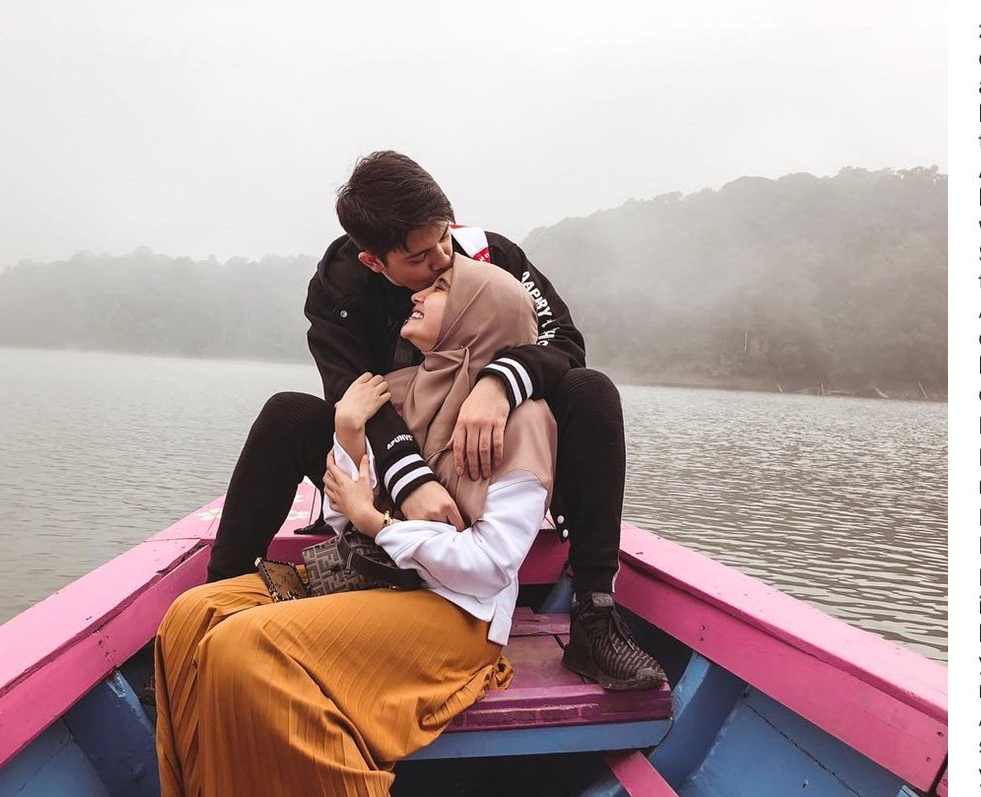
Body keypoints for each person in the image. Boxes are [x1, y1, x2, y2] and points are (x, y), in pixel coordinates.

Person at [204, 150, 664, 690]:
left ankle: (595, 615)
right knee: (288, 413)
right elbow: (355, 395)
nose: (444, 260)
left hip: (492, 455)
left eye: (445, 236)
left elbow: (564, 341)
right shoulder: (339, 292)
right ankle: (220, 601)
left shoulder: (491, 254)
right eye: (420, 258)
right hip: (395, 448)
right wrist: (411, 480)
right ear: (374, 262)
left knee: (591, 390)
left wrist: (498, 383)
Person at [155, 258, 556, 796]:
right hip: (384, 582)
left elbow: (489, 569)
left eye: (440, 288)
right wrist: (348, 432)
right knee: (194, 614)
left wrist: (380, 523)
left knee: (246, 646)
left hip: (460, 614)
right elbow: (349, 518)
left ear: (476, 316)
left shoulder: (522, 422)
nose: (417, 295)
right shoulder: (399, 391)